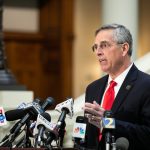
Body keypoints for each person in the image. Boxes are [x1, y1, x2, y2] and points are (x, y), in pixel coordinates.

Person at [83, 23, 150, 150]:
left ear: (124, 49)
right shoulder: (92, 88)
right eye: (95, 47)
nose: (98, 52)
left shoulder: (146, 85)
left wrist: (109, 123)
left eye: (104, 45)